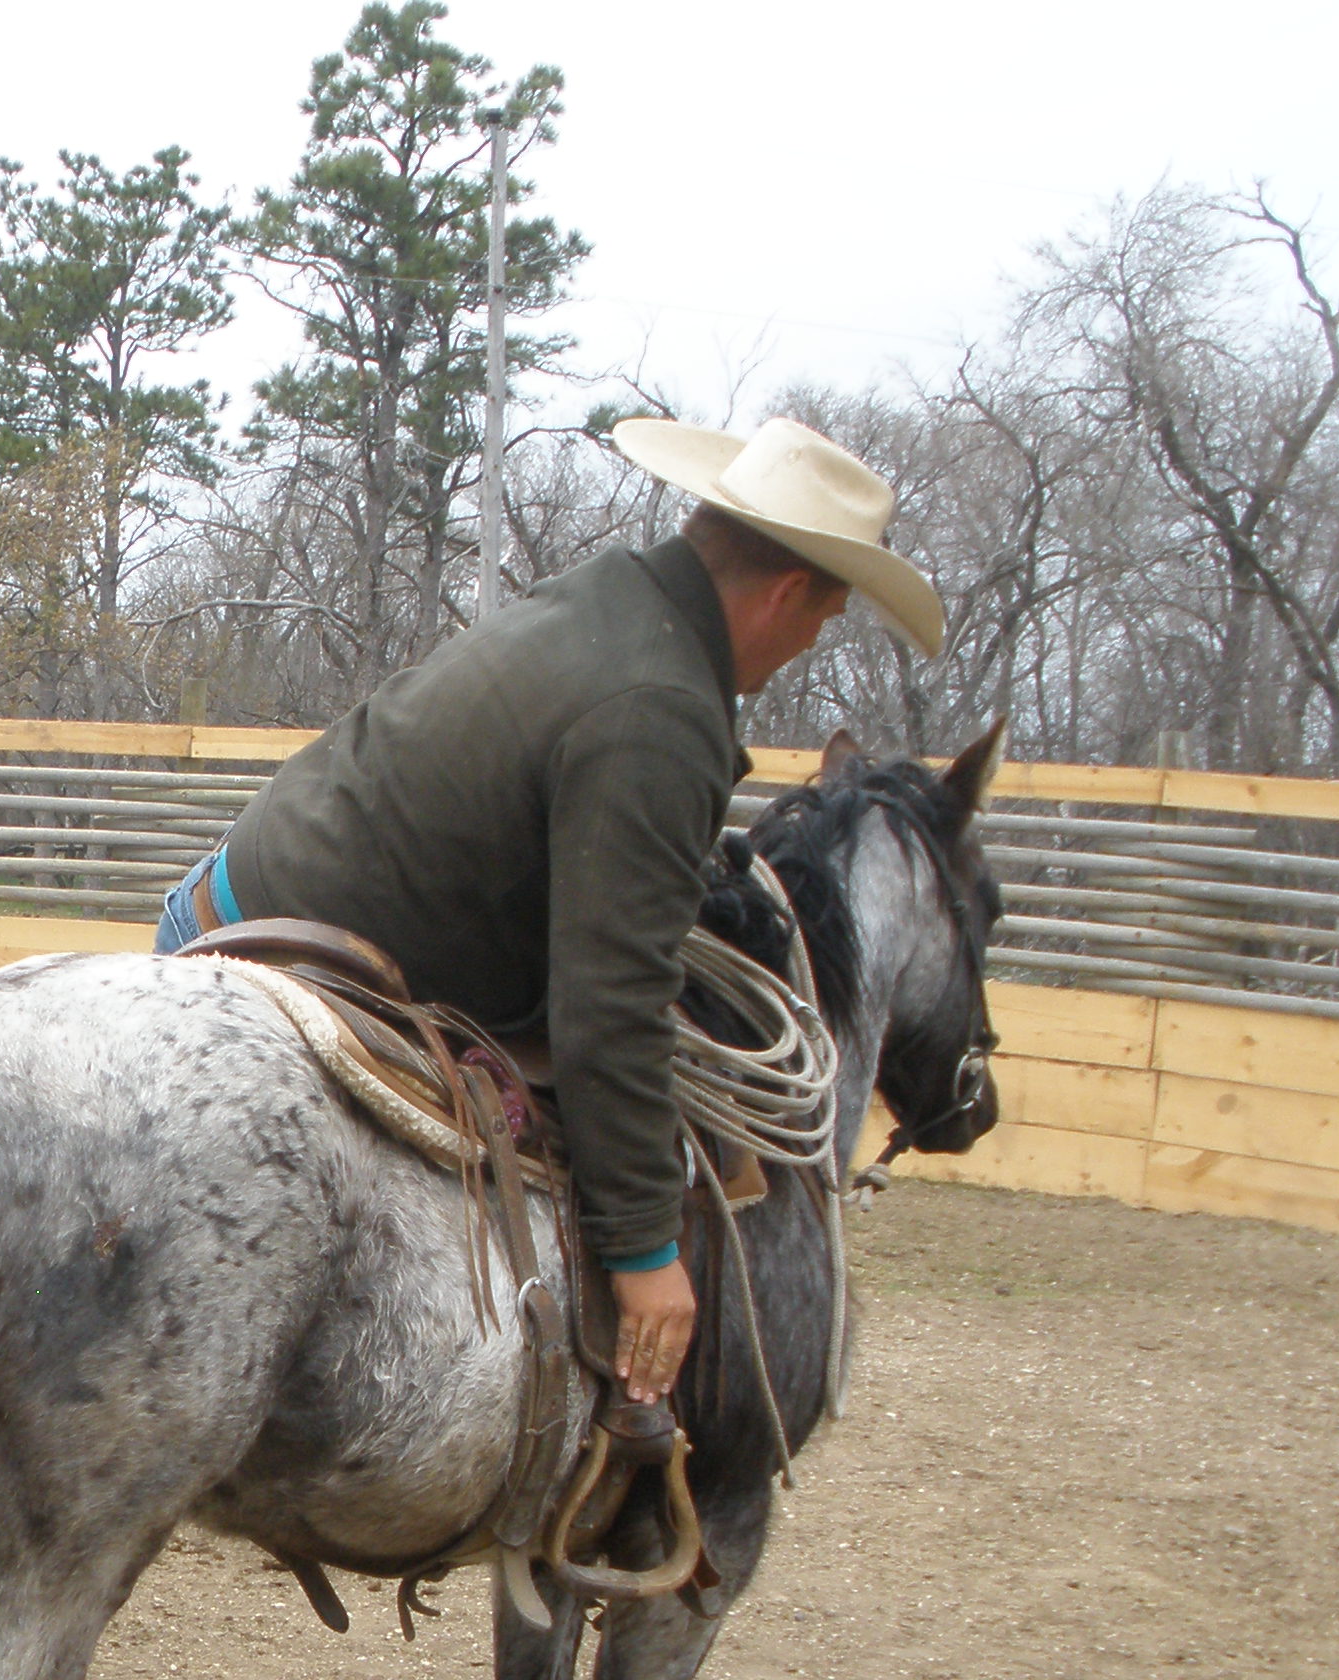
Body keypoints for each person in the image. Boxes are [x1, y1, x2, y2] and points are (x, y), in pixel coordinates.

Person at [166, 416, 943, 1405]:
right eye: (823, 619)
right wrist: (646, 1252)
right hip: (290, 977)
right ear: (789, 594)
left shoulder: (613, 600)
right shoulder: (661, 710)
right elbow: (611, 1005)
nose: (806, 645)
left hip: (229, 910)